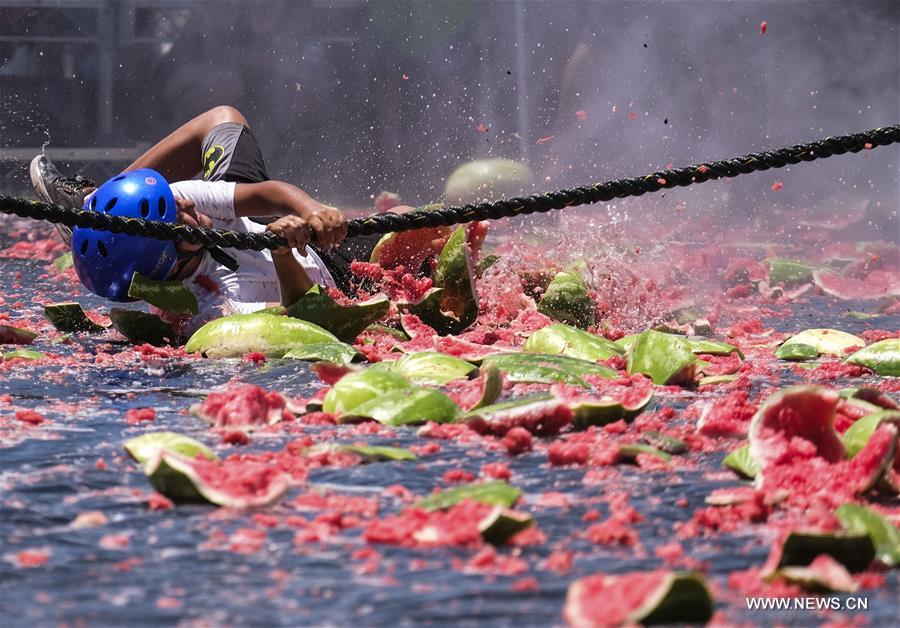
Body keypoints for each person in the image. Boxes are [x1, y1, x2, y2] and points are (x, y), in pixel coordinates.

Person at [31, 105, 448, 334]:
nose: (189, 208)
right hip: (327, 281)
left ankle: (92, 203)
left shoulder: (180, 202)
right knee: (424, 236)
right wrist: (283, 255)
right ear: (168, 263)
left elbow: (267, 194)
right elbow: (304, 317)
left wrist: (312, 211)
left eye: (178, 202)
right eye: (181, 220)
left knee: (223, 119)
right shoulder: (211, 308)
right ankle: (96, 212)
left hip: (268, 232)